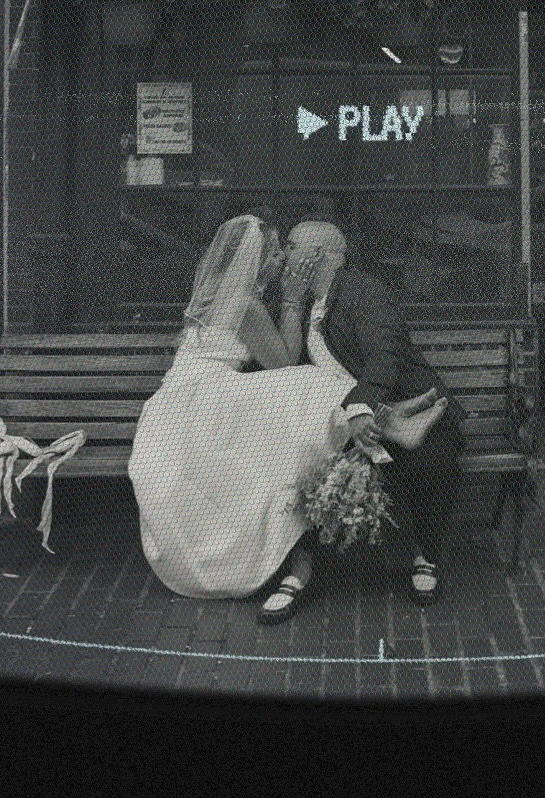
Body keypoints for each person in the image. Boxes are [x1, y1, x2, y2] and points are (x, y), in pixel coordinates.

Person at [127, 214, 447, 601]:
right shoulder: (248, 303)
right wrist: (293, 301)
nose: (281, 259)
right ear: (257, 259)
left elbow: (376, 352)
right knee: (309, 383)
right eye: (278, 251)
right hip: (206, 400)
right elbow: (283, 363)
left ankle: (390, 422)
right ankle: (393, 422)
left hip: (190, 400)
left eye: (288, 250)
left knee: (301, 409)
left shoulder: (222, 295)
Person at [258, 220, 466, 624]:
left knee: (431, 460)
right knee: (301, 466)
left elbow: (383, 355)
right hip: (343, 421)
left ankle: (425, 555)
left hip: (407, 402)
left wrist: (361, 409)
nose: (284, 253)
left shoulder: (363, 291)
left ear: (317, 255)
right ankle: (299, 572)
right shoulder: (298, 301)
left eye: (293, 244)